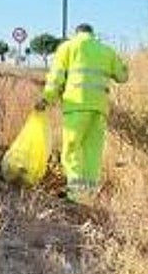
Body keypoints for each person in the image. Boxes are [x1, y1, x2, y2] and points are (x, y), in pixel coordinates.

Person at [35, 23, 129, 205]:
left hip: (76, 106)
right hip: (99, 109)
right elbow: (123, 76)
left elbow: (56, 78)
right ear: (92, 34)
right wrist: (122, 64)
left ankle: (76, 195)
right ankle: (88, 196)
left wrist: (46, 98)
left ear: (76, 33)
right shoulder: (106, 50)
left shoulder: (68, 47)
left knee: (72, 149)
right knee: (92, 151)